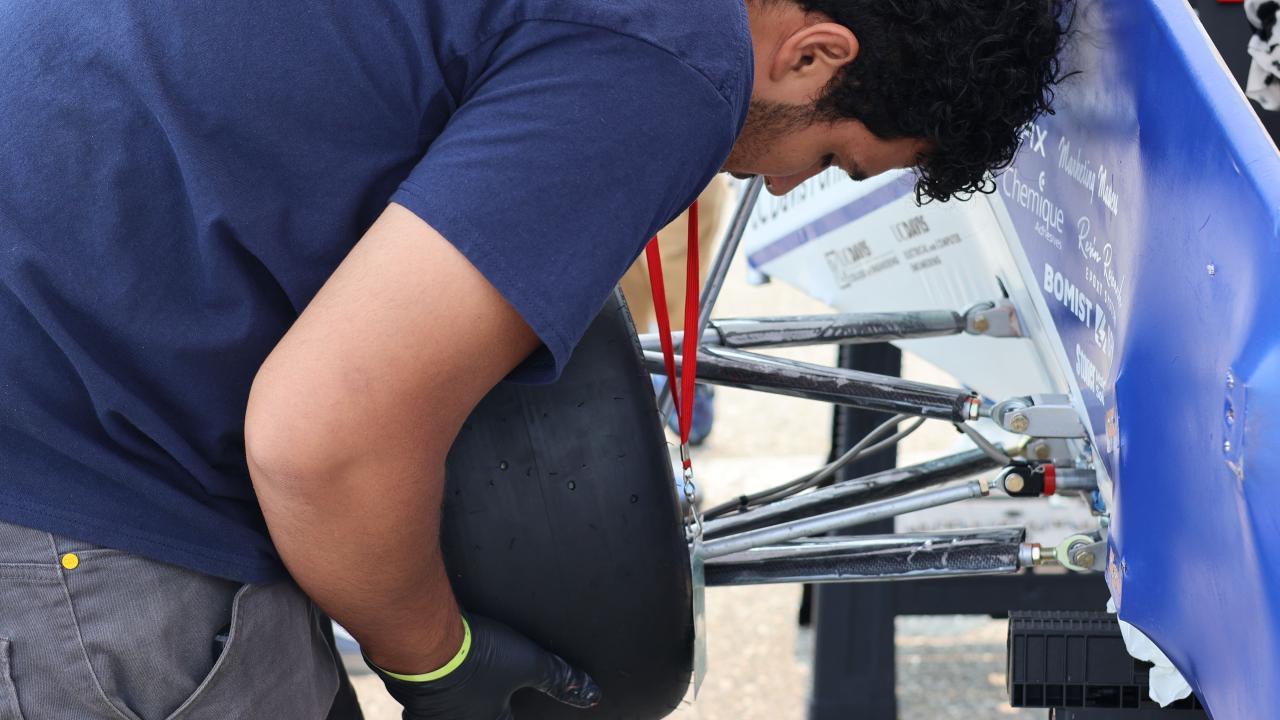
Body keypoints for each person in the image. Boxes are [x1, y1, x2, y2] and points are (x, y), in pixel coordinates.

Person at [0, 0, 1070, 717]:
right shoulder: (676, 63)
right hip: (73, 485)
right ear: (816, 53)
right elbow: (321, 441)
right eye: (828, 156)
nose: (784, 187)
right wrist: (438, 661)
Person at [619, 177, 732, 446]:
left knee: (677, 285)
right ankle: (638, 388)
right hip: (614, 165)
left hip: (675, 164)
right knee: (623, 301)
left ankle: (685, 379)